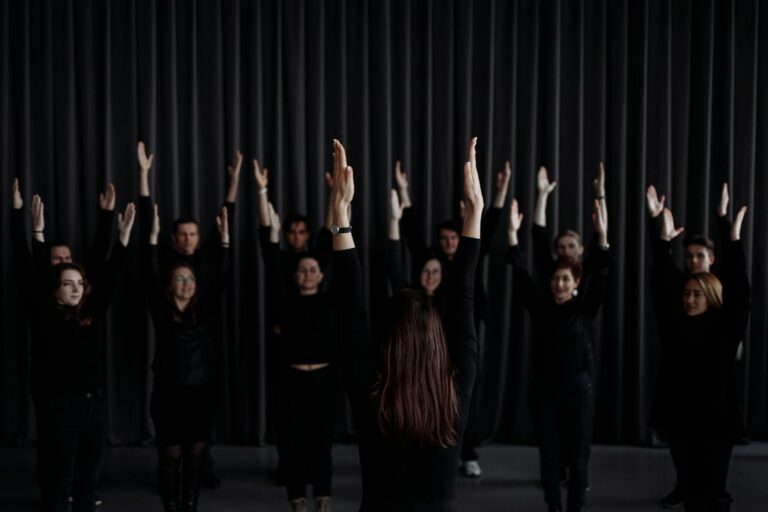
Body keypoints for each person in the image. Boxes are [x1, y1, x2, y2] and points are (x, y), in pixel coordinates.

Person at [331, 137, 482, 510]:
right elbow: (463, 290)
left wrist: (339, 214)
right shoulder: (456, 391)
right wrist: (475, 210)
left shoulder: (370, 389)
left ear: (386, 334)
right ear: (437, 336)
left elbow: (351, 306)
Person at [11, 187, 135, 512]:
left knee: (87, 482)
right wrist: (35, 232)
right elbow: (30, 272)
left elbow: (108, 276)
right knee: (59, 481)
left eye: (80, 284)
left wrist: (122, 239)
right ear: (54, 291)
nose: (77, 288)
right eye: (68, 283)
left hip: (94, 406)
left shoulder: (90, 315)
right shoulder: (44, 315)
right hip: (59, 408)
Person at [395, 158, 510, 478]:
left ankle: (468, 453)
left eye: (453, 238)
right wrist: (404, 193)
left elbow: (486, 235)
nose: (448, 243)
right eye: (444, 239)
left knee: (464, 396)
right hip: (431, 341)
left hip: (460, 339)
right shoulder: (432, 263)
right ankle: (428, 447)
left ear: (460, 238)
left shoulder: (468, 261)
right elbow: (413, 235)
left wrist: (499, 193)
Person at [138, 141, 242, 488]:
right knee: (171, 429)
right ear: (174, 238)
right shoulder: (165, 267)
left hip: (201, 352)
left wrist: (235, 181)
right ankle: (170, 472)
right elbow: (148, 246)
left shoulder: (208, 261)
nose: (188, 239)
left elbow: (226, 221)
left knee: (198, 426)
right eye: (182, 234)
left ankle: (198, 469)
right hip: (171, 360)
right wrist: (143, 175)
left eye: (193, 233)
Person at [507, 197, 611, 512]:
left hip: (579, 392)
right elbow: (522, 274)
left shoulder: (585, 309)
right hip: (544, 393)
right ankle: (554, 506)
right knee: (549, 456)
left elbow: (603, 273)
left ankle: (575, 507)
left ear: (576, 281)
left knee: (579, 458)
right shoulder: (541, 308)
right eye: (555, 278)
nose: (559, 282)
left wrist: (603, 236)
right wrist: (512, 234)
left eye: (566, 278)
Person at [649, 206, 750, 512]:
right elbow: (660, 286)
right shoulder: (674, 326)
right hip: (681, 417)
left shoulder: (724, 330)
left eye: (697, 295)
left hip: (717, 420)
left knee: (714, 490)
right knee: (691, 488)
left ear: (711, 297)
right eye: (686, 294)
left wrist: (732, 238)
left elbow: (741, 294)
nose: (690, 299)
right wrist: (663, 241)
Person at [256, 183, 338, 511]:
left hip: (323, 380)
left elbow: (333, 232)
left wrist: (336, 195)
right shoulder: (284, 295)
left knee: (321, 443)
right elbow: (268, 244)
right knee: (291, 442)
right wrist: (263, 194)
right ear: (294, 276)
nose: (306, 272)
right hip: (290, 378)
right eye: (302, 270)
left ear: (321, 275)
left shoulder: (330, 300)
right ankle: (296, 499)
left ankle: (323, 496)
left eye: (312, 270)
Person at [145, 202, 230, 512]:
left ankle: (190, 505)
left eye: (190, 280)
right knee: (171, 457)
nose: (185, 284)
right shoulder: (162, 312)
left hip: (200, 392)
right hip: (168, 394)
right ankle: (171, 505)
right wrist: (152, 239)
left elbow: (221, 277)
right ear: (170, 286)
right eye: (179, 279)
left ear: (196, 286)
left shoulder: (203, 311)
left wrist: (224, 241)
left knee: (194, 456)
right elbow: (151, 272)